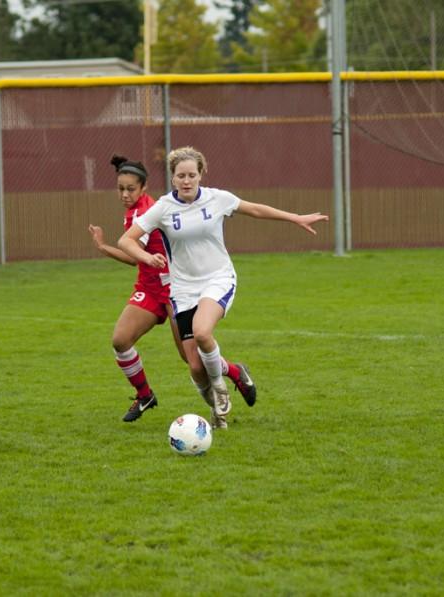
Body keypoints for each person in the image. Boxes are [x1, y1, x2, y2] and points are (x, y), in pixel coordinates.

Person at [118, 146, 327, 429]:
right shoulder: (164, 207)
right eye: (181, 176)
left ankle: (220, 388)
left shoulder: (218, 199)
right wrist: (147, 257)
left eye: (192, 174)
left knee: (203, 332)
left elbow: (255, 209)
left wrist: (296, 218)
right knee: (194, 366)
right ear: (173, 178)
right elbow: (126, 241)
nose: (187, 181)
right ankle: (222, 402)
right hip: (182, 290)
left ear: (201, 175)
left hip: (217, 279)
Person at [88, 154, 254, 423]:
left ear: (144, 188)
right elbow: (134, 254)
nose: (125, 194)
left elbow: (133, 255)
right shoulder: (134, 212)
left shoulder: (153, 210)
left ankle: (233, 372)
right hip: (149, 287)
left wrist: (104, 248)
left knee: (194, 363)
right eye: (120, 189)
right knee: (120, 340)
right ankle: (145, 395)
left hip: (174, 289)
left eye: (131, 189)